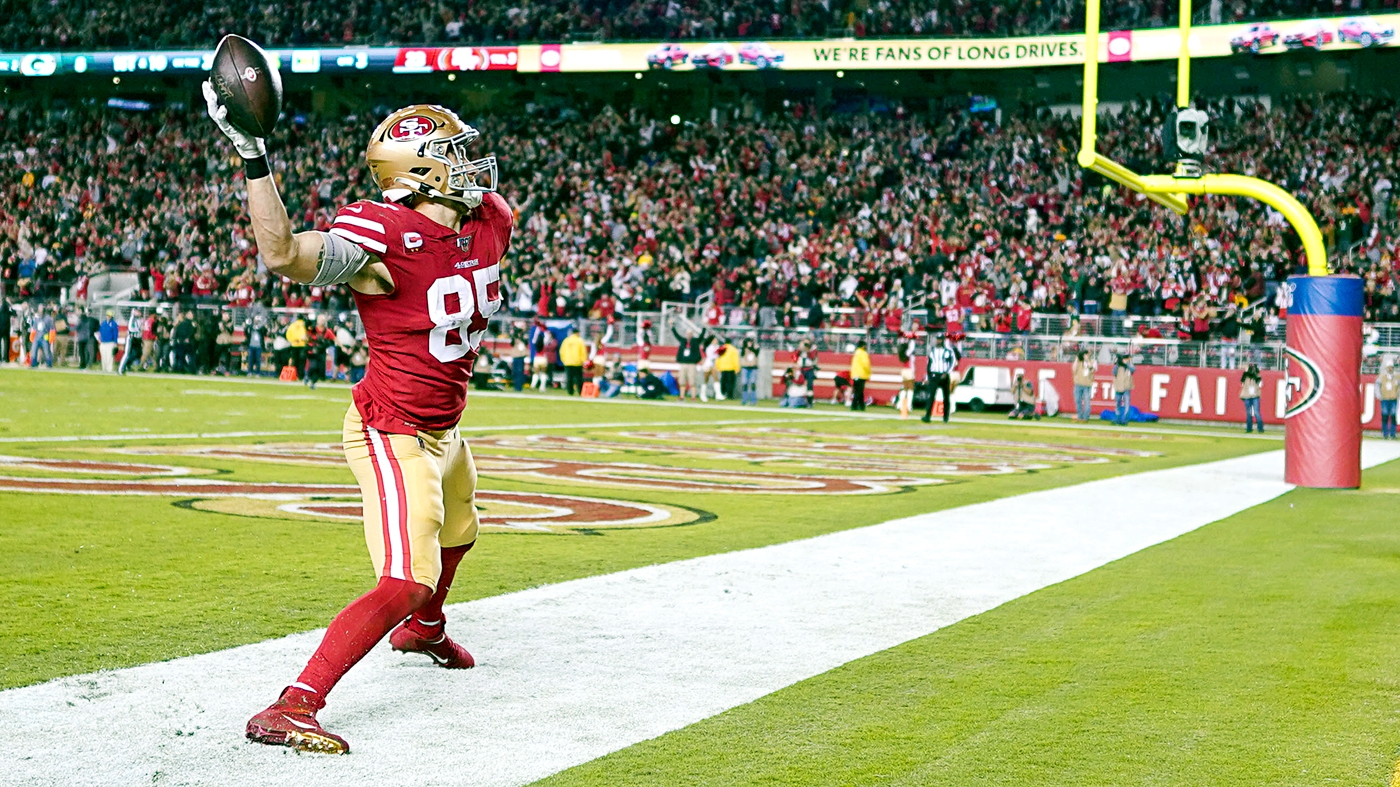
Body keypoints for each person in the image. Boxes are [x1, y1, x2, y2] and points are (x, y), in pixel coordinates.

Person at [206, 87, 511, 753]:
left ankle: (423, 630)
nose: (472, 165)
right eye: (453, 154)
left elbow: (455, 253)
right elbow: (284, 255)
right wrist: (255, 156)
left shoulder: (490, 217)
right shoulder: (381, 236)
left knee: (462, 526)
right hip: (391, 425)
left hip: (445, 425)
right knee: (406, 576)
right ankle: (293, 702)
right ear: (417, 170)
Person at [922, 329, 959, 423]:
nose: (938, 341)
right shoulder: (932, 351)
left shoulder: (948, 351)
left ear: (943, 340)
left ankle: (945, 417)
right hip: (934, 376)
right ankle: (927, 416)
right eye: (937, 339)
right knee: (931, 396)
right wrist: (927, 377)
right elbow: (928, 365)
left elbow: (953, 363)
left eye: (940, 339)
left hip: (944, 376)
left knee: (946, 397)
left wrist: (947, 373)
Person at [673, 324, 705, 401]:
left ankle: (693, 397)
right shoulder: (683, 341)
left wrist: (704, 327)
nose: (688, 335)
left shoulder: (695, 341)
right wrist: (672, 327)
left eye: (690, 333)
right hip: (683, 363)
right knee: (682, 380)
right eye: (687, 333)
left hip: (692, 364)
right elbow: (676, 335)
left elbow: (701, 336)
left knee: (692, 380)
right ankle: (682, 396)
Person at [558, 328, 587, 395]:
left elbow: (562, 351)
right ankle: (580, 391)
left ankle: (570, 391)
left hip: (568, 362)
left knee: (569, 378)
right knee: (578, 378)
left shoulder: (566, 340)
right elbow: (583, 352)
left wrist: (564, 360)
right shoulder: (579, 340)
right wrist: (583, 360)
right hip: (577, 362)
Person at [1071, 350, 1096, 422]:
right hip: (1078, 384)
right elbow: (1073, 370)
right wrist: (1077, 359)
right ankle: (1080, 416)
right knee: (1077, 400)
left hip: (1087, 385)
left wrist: (1087, 360)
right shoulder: (1079, 362)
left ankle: (1085, 417)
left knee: (1087, 401)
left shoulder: (1092, 361)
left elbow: (1092, 370)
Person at [1378, 358, 1399, 440]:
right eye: (1388, 367)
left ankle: (1393, 433)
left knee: (1393, 416)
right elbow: (1377, 386)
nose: (1390, 369)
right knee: (1385, 416)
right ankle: (1385, 433)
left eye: (1391, 367)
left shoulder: (1397, 376)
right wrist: (1379, 395)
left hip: (1393, 399)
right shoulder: (1382, 376)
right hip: (1385, 398)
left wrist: (1397, 394)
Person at [1240, 363, 1264, 433]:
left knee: (1253, 412)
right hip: (1251, 395)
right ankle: (1256, 428)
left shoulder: (1255, 376)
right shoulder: (1246, 376)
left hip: (1252, 395)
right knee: (1252, 412)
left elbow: (1260, 384)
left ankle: (1252, 428)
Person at [1112, 355, 1135, 425]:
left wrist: (1126, 364)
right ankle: (1117, 419)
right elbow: (1113, 372)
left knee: (1127, 404)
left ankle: (1125, 420)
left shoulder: (1130, 366)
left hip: (1126, 387)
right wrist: (1118, 364)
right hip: (1118, 386)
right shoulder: (1118, 366)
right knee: (1117, 404)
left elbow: (1133, 369)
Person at [118, 309, 142, 375]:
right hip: (131, 338)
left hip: (137, 339)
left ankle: (127, 365)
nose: (139, 313)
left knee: (137, 353)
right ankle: (121, 369)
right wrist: (139, 330)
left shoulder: (139, 319)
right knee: (127, 354)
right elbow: (131, 328)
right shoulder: (133, 318)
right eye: (138, 311)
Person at [849, 340, 870, 411]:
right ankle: (854, 406)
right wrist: (869, 373)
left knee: (859, 392)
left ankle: (861, 406)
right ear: (863, 346)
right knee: (858, 392)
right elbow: (866, 364)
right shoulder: (863, 353)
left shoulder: (856, 353)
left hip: (855, 374)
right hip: (861, 374)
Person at [896, 344, 915, 420]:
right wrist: (912, 338)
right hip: (909, 370)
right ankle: (908, 405)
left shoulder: (904, 352)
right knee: (910, 389)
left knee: (904, 388)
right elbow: (912, 347)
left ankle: (900, 404)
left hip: (904, 370)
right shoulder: (908, 352)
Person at [739, 337, 760, 405]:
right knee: (745, 383)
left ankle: (753, 400)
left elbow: (757, 351)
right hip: (745, 367)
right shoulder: (744, 349)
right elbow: (741, 353)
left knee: (753, 383)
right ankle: (744, 400)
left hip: (753, 368)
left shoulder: (755, 349)